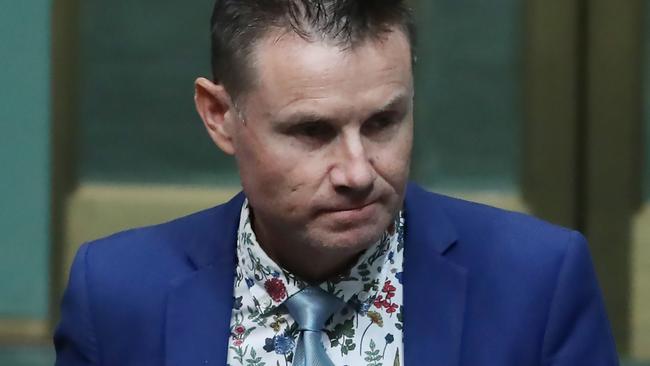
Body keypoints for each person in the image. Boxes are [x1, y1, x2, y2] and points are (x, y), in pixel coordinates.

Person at [54, 0, 619, 365]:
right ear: (219, 115)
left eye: (382, 122)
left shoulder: (537, 284)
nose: (357, 172)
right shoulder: (117, 295)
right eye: (312, 130)